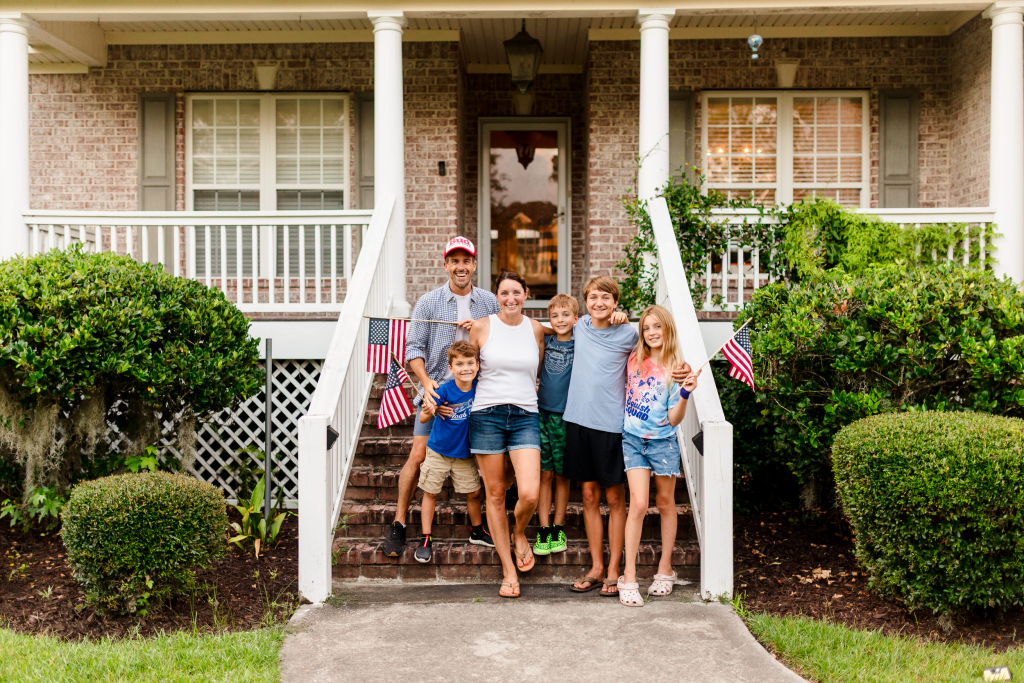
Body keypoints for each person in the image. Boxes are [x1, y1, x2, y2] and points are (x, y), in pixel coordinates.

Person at [564, 277, 691, 597]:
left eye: (606, 298)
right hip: (578, 421)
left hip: (614, 426)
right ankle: (596, 567)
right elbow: (548, 326)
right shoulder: (579, 326)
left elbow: (657, 341)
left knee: (618, 499)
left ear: (616, 303)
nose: (599, 303)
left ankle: (615, 570)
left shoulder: (628, 334)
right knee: (589, 497)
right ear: (585, 302)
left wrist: (684, 377)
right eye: (593, 297)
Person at [381, 236, 499, 557]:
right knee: (418, 456)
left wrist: (480, 329)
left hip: (477, 396)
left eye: (466, 261)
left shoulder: (489, 302)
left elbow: (501, 341)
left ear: (474, 264)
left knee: (487, 458)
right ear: (445, 264)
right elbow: (413, 349)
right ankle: (400, 523)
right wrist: (427, 382)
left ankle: (480, 527)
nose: (461, 267)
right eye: (454, 261)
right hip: (438, 394)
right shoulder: (428, 302)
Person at [468, 270, 547, 598]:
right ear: (496, 296)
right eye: (504, 293)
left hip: (526, 414)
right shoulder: (481, 326)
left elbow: (537, 371)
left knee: (529, 493)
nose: (510, 298)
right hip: (486, 414)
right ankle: (508, 570)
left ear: (526, 294)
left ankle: (519, 533)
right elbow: (466, 371)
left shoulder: (536, 329)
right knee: (496, 495)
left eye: (516, 292)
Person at [617, 305, 699, 607]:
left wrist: (686, 392)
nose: (651, 332)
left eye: (657, 327)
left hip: (663, 442)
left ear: (668, 329)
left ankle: (665, 569)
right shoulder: (634, 358)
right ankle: (628, 575)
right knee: (638, 503)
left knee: (665, 502)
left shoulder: (678, 369)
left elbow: (675, 419)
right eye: (647, 328)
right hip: (633, 439)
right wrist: (620, 315)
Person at [413, 341, 491, 563]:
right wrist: (433, 408)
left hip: (464, 453)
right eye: (459, 364)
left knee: (474, 492)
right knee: (430, 492)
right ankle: (426, 537)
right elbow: (422, 418)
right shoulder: (443, 390)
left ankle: (477, 531)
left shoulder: (482, 389)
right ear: (451, 368)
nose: (465, 368)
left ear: (477, 365)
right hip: (438, 450)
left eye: (470, 363)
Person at [532, 294, 578, 557]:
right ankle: (544, 528)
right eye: (555, 316)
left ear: (576, 318)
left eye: (565, 315)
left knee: (562, 474)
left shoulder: (581, 341)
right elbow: (529, 327)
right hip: (541, 413)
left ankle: (558, 526)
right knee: (544, 474)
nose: (560, 320)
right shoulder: (546, 340)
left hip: (566, 417)